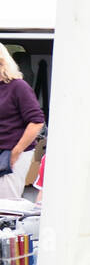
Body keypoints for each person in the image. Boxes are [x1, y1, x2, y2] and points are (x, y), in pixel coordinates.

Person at [0, 45, 45, 202]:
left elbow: (37, 121)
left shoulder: (18, 86)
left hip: (11, 153)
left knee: (6, 206)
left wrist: (16, 152)